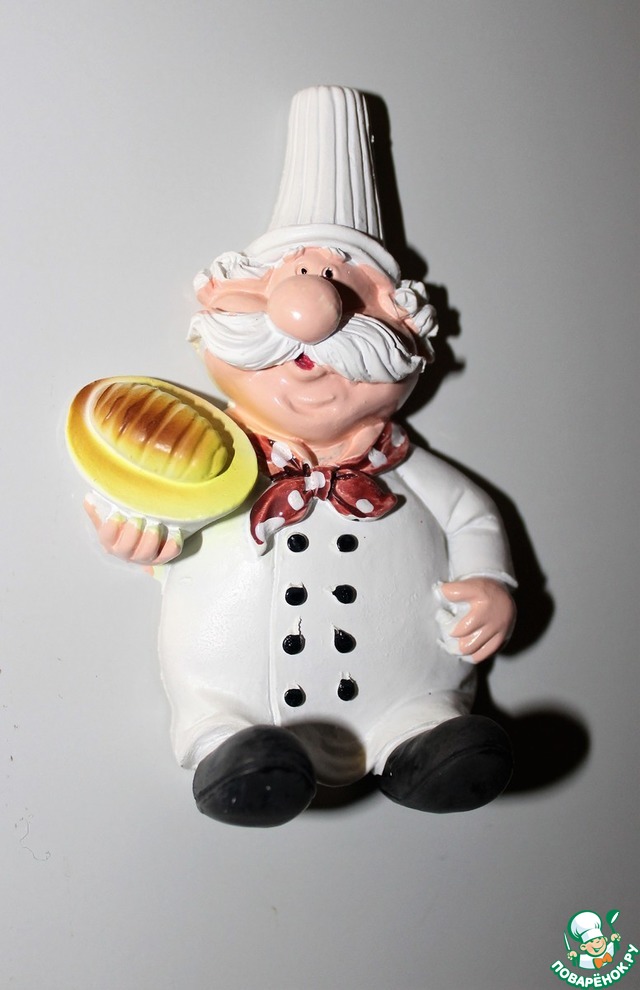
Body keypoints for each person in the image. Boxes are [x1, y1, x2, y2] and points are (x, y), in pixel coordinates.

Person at [86, 86, 516, 827]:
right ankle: (227, 745)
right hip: (236, 693)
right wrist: (140, 529)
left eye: (349, 300)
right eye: (292, 289)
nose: (312, 324)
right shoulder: (216, 458)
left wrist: (490, 583)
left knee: (426, 718)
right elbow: (162, 499)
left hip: (406, 687)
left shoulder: (406, 466)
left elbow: (472, 516)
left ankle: (421, 737)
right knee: (222, 708)